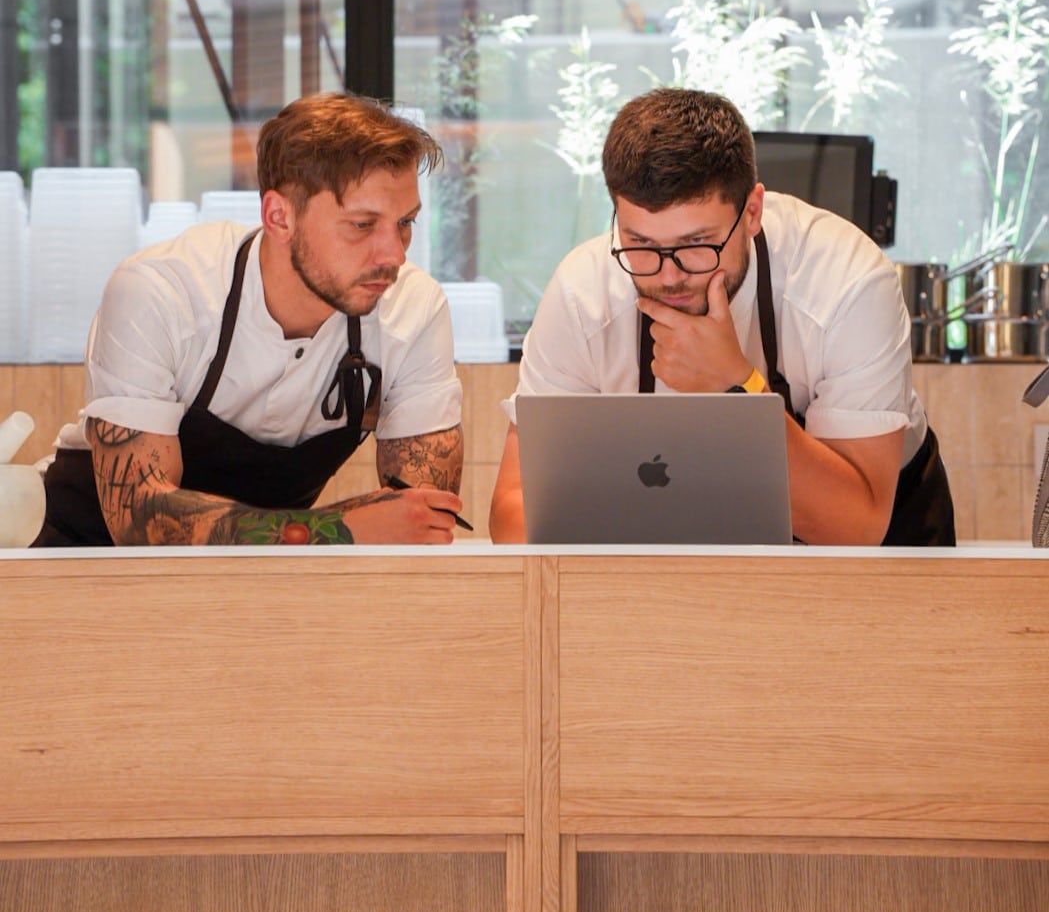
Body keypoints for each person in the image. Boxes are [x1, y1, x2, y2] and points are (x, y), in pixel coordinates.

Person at [490, 87, 954, 547]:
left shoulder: (844, 280)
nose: (669, 276)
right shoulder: (582, 295)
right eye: (642, 245)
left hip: (885, 540)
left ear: (752, 211)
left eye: (697, 245)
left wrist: (734, 387)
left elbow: (855, 526)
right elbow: (511, 514)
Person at [36, 92, 464, 547]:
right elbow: (140, 518)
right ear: (279, 217)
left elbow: (421, 520)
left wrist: (314, 538)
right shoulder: (160, 292)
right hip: (83, 560)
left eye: (405, 223)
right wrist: (340, 529)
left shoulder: (413, 310)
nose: (394, 254)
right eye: (362, 225)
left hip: (265, 578)